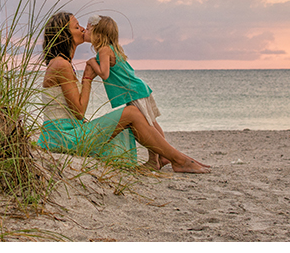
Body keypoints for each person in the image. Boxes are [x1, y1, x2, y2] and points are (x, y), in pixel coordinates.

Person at [37, 12, 209, 173]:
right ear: (64, 35)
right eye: (76, 27)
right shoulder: (60, 65)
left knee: (132, 116)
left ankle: (166, 159)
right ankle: (177, 160)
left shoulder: (63, 63)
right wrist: (87, 79)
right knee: (132, 113)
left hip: (68, 132)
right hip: (62, 137)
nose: (82, 28)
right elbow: (79, 112)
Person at [83, 14, 190, 170]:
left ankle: (155, 160)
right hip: (139, 89)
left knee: (148, 125)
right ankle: (163, 156)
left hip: (133, 92)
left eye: (88, 29)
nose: (85, 31)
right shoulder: (113, 48)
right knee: (152, 122)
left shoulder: (104, 51)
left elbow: (104, 74)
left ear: (98, 34)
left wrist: (92, 61)